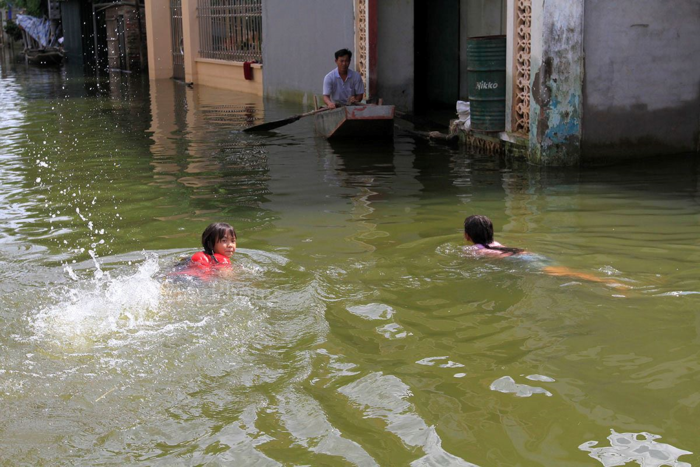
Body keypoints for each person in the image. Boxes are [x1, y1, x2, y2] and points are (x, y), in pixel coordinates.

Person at [464, 215, 627, 287]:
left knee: (567, 273)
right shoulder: (497, 244)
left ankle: (610, 283)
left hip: (521, 261)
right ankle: (607, 282)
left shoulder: (476, 251)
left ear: (467, 236)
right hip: (528, 255)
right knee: (566, 272)